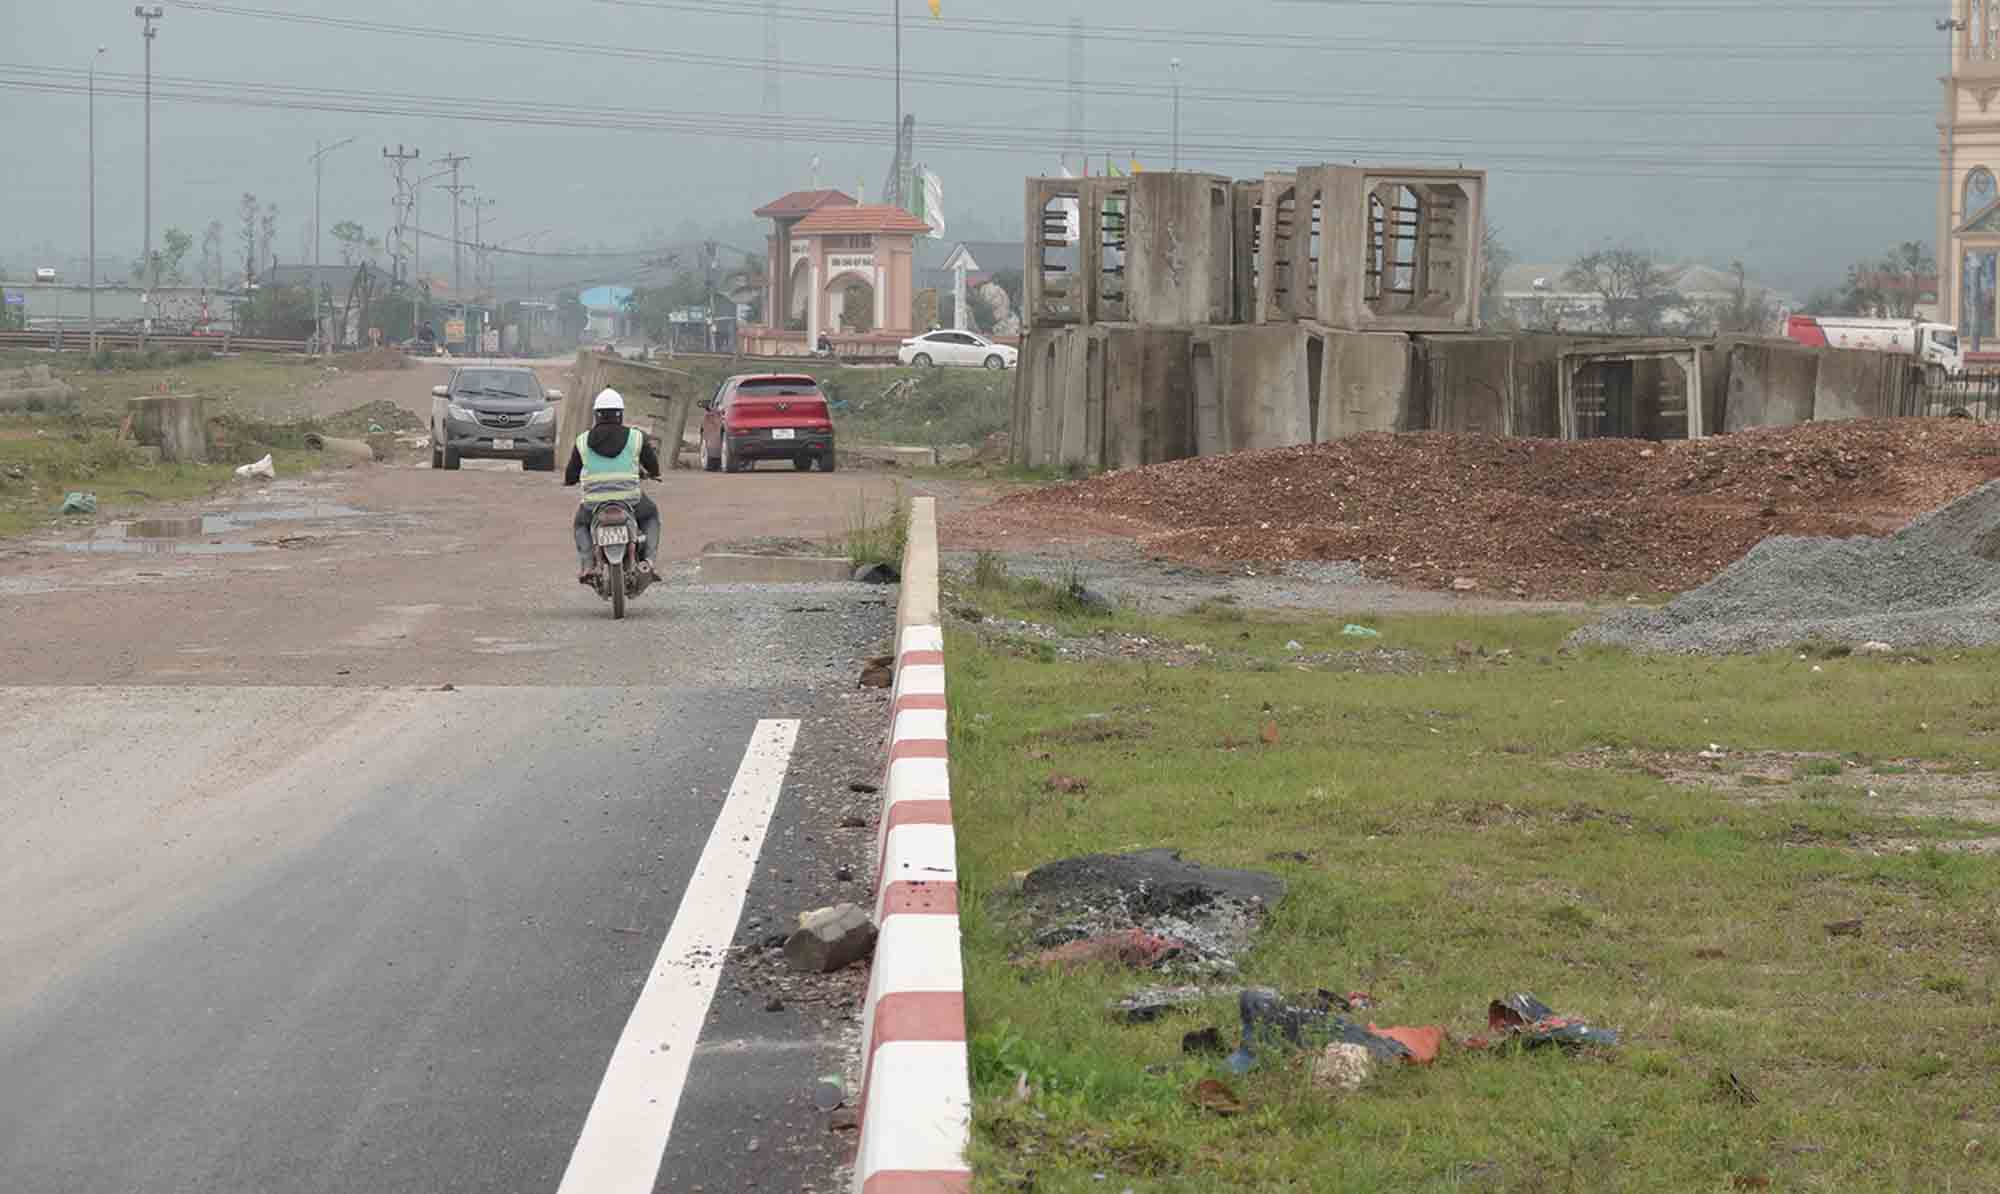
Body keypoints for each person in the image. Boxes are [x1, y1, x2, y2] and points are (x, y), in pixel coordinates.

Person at [563, 388, 663, 584]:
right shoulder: (636, 437)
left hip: (594, 504)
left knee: (581, 524)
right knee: (651, 515)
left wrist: (570, 480)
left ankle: (588, 565)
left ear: (596, 414)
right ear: (620, 414)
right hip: (630, 501)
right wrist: (654, 474)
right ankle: (649, 561)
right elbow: (652, 465)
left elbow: (571, 473)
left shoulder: (582, 440)